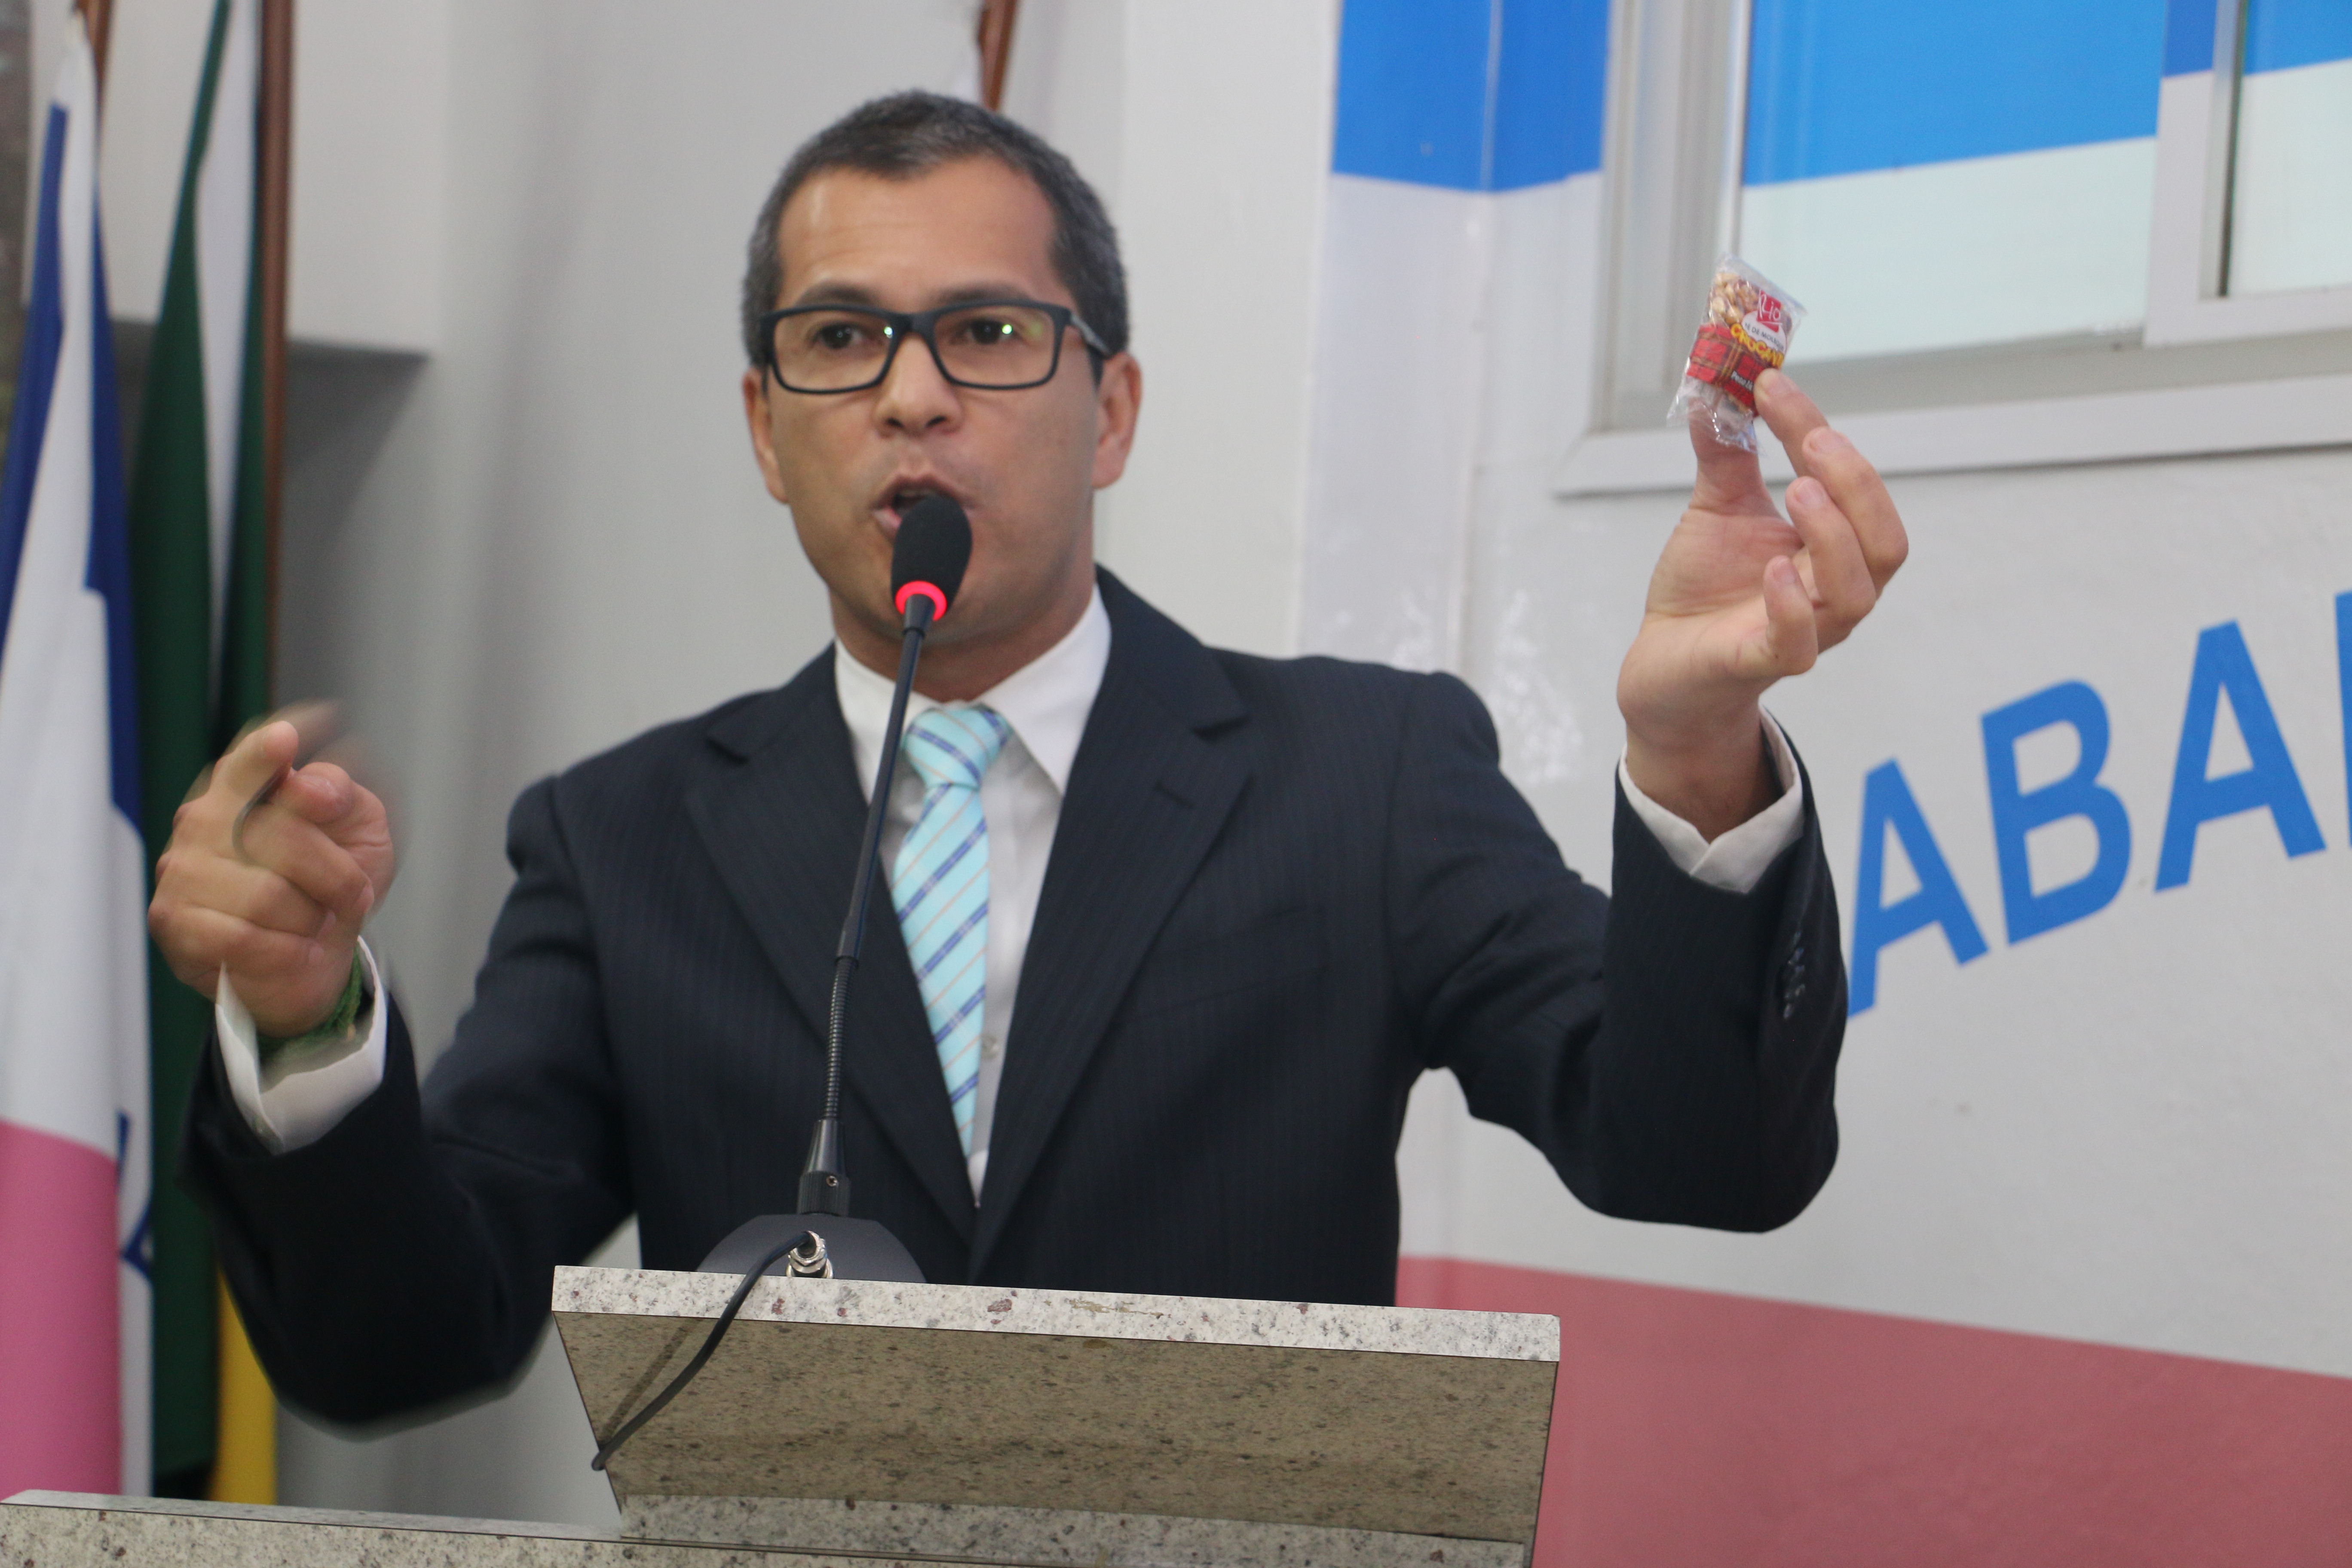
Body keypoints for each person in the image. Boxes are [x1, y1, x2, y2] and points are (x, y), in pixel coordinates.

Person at [152, 93, 1905, 1423]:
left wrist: (1697, 753)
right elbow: (398, 1347)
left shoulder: (1361, 773)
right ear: (766, 428)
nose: (910, 396)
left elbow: (1705, 1162)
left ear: (1110, 410)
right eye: (840, 340)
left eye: (987, 334)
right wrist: (304, 1025)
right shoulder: (626, 841)